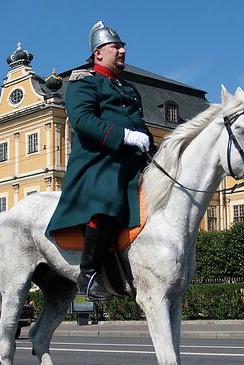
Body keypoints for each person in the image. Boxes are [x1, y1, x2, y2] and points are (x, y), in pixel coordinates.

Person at [45, 21, 154, 301]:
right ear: (98, 54)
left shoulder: (129, 88)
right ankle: (89, 271)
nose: (122, 50)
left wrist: (148, 145)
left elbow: (138, 124)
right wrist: (124, 136)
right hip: (98, 161)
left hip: (131, 161)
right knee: (108, 198)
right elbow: (82, 120)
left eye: (123, 46)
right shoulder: (84, 83)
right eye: (115, 46)